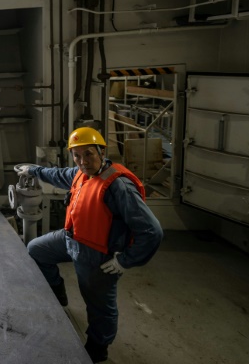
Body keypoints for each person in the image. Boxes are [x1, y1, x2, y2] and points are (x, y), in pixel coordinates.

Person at [16, 127, 163, 363]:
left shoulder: (119, 186)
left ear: (102, 152)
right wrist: (33, 170)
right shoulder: (79, 173)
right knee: (36, 250)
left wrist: (124, 261)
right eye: (77, 155)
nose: (83, 161)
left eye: (89, 154)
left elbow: (151, 231)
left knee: (99, 307)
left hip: (98, 257)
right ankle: (58, 293)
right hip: (71, 240)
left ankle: (98, 347)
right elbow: (56, 174)